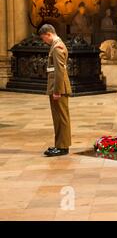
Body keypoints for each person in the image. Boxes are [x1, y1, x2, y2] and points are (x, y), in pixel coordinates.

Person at [39, 24, 72, 157]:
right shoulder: (55, 45)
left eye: (43, 38)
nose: (44, 41)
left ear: (48, 34)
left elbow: (59, 71)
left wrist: (57, 90)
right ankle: (60, 144)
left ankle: (62, 146)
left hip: (59, 87)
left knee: (61, 117)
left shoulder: (57, 47)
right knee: (58, 117)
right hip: (57, 86)